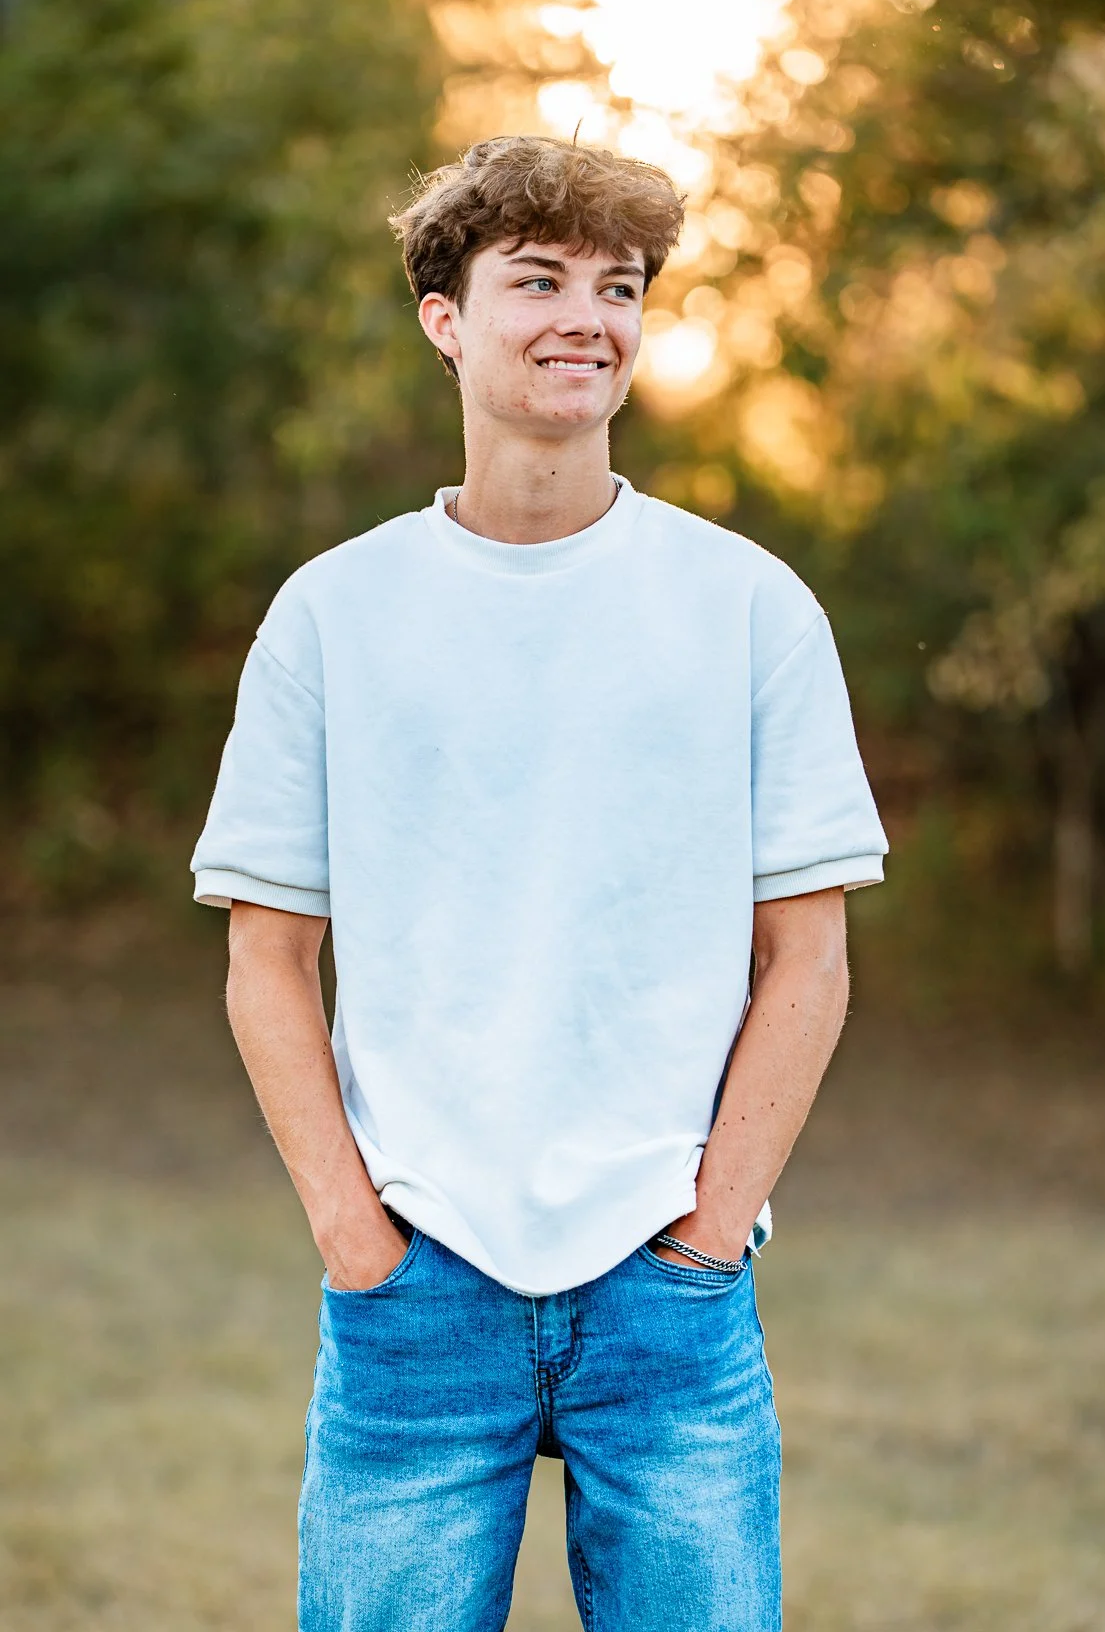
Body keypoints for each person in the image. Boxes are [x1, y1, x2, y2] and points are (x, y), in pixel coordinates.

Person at [191, 135, 888, 1632]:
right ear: (446, 315)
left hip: (671, 1292)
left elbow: (809, 958)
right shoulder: (333, 615)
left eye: (620, 285)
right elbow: (267, 961)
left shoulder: (749, 608)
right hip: (417, 1288)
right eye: (541, 280)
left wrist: (711, 1228)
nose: (591, 314)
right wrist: (354, 1238)